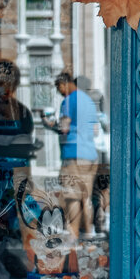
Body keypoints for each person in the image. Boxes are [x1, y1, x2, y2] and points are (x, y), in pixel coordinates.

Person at [43, 71, 99, 237]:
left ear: (64, 84)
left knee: (72, 196)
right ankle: (89, 232)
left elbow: (64, 128)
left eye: (58, 87)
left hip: (73, 155)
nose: (59, 91)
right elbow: (95, 130)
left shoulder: (68, 100)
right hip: (90, 155)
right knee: (86, 197)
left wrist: (49, 124)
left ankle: (73, 234)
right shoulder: (89, 101)